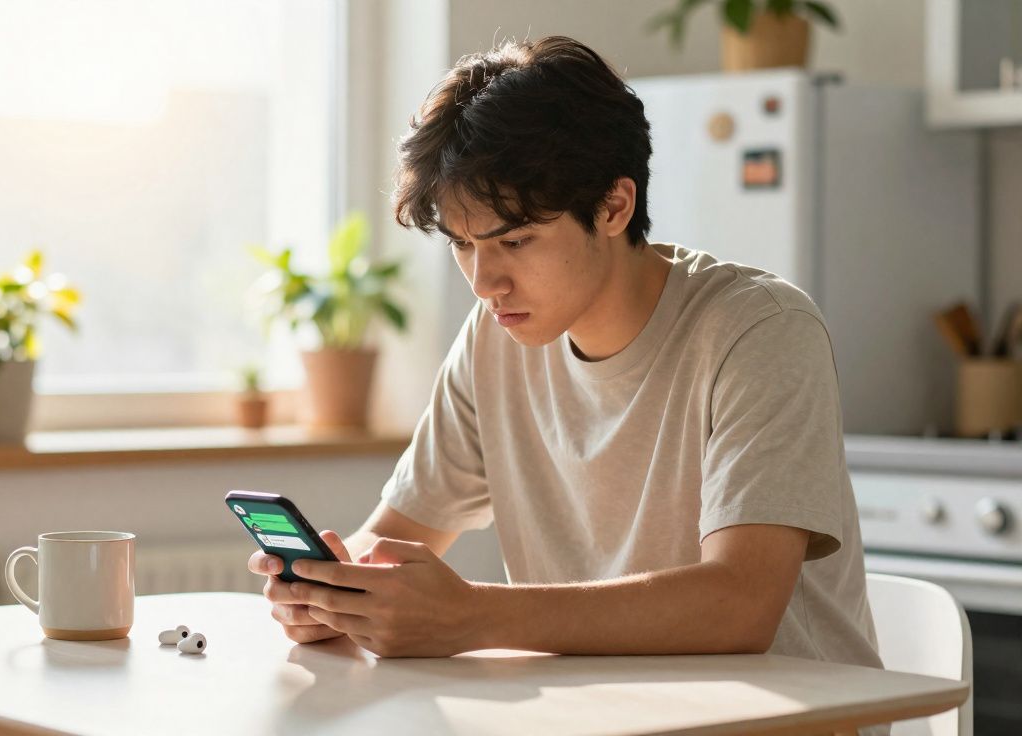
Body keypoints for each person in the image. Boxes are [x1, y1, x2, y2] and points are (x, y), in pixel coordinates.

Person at [247, 35, 882, 676]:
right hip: (606, 714)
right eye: (463, 245)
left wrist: (472, 615)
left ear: (613, 205)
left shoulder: (761, 330)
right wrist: (329, 596)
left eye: (515, 241)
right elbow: (390, 544)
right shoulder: (495, 337)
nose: (484, 282)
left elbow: (740, 604)